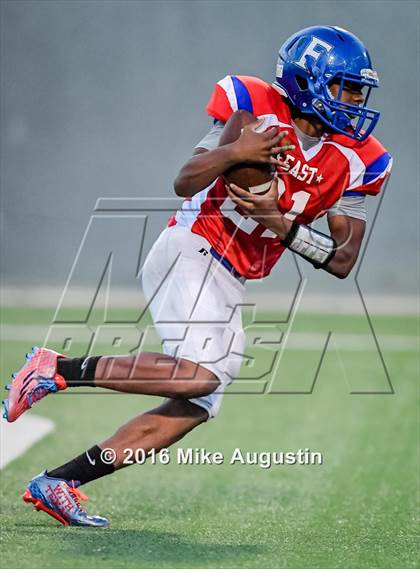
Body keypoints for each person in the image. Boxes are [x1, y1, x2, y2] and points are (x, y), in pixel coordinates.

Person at [3, 25, 392, 527]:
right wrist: (234, 153)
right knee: (201, 374)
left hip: (234, 276)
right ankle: (54, 369)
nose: (357, 100)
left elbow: (342, 260)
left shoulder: (358, 159)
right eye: (348, 87)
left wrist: (278, 222)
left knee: (199, 401)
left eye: (360, 90)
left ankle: (60, 482)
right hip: (194, 245)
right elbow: (185, 180)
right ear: (309, 80)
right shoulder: (255, 108)